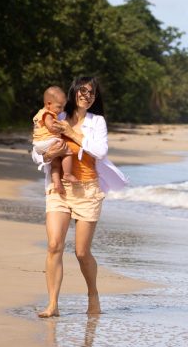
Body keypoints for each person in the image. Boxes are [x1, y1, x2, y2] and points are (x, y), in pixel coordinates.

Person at [32, 76, 129, 318]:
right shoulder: (58, 115)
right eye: (83, 91)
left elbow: (100, 151)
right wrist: (46, 156)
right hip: (59, 188)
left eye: (91, 93)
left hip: (87, 190)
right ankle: (52, 305)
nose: (87, 96)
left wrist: (72, 134)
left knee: (82, 252)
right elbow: (37, 148)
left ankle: (93, 295)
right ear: (74, 92)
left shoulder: (97, 122)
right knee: (54, 245)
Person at [31, 86, 78, 195]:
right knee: (67, 151)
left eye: (63, 107)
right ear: (48, 104)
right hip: (48, 141)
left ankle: (57, 184)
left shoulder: (40, 113)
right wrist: (62, 128)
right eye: (59, 107)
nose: (61, 110)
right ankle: (67, 174)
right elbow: (51, 127)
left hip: (40, 144)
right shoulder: (48, 114)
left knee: (55, 164)